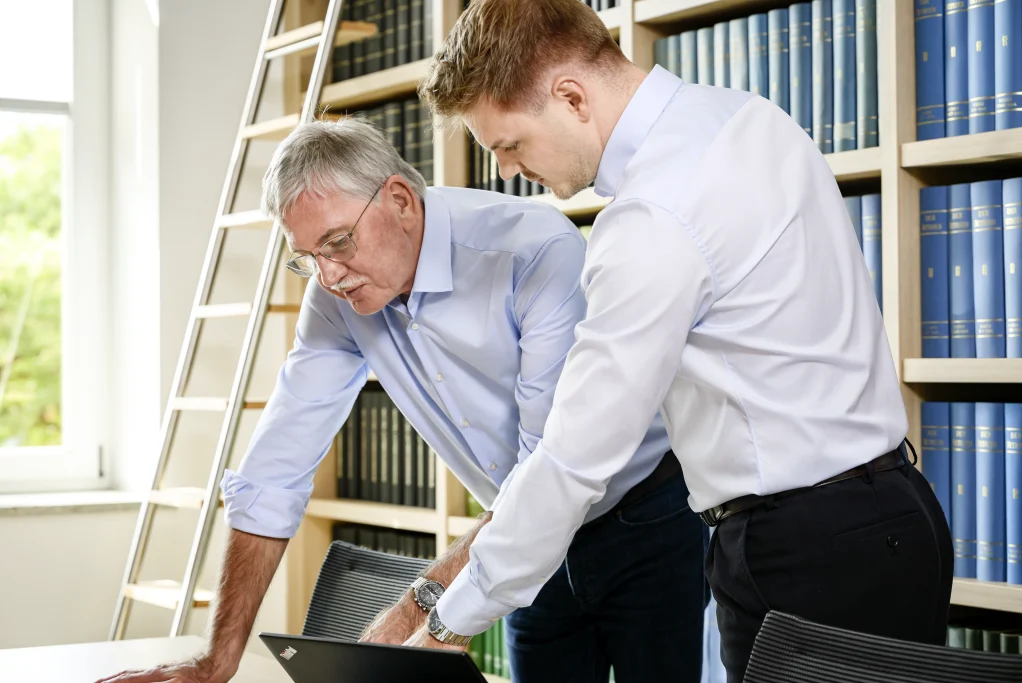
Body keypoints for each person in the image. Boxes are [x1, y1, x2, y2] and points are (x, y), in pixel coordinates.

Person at [412, 1, 954, 680]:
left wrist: (448, 619)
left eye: (509, 145)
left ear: (571, 97)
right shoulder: (749, 117)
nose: (508, 173)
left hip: (805, 550)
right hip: (898, 515)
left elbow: (577, 456)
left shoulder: (652, 216)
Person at [93, 117, 707, 683]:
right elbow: (275, 469)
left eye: (337, 243)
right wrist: (215, 660)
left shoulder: (532, 250)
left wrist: (425, 601)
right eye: (307, 258)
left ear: (400, 201)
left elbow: (551, 461)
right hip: (516, 541)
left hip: (642, 516)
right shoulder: (337, 300)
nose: (328, 275)